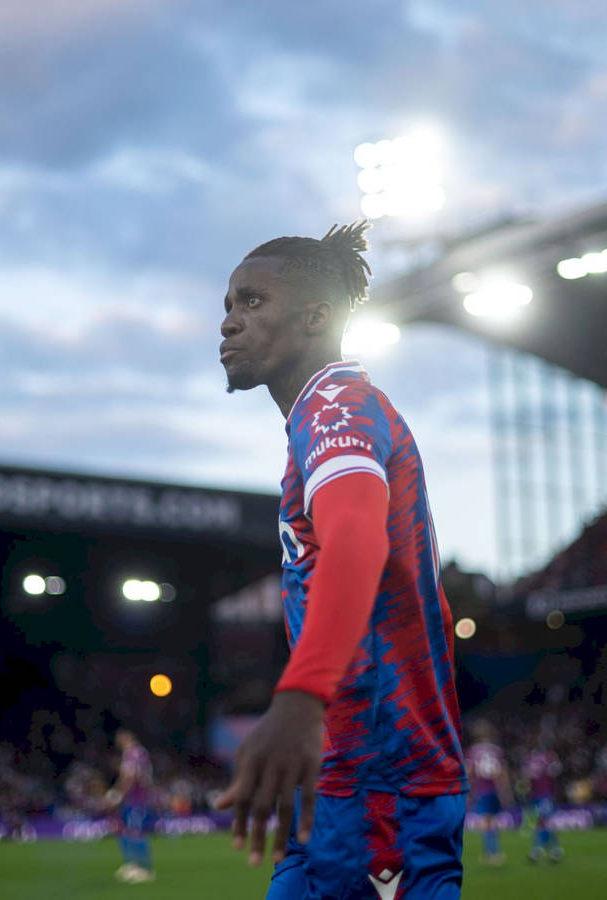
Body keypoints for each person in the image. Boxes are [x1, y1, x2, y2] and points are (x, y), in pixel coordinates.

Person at [215, 222, 468, 898]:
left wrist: (301, 699)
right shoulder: (319, 418)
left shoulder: (337, 408)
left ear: (317, 317)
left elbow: (358, 539)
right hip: (345, 770)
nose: (229, 324)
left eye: (253, 302)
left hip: (378, 773)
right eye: (228, 307)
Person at [104, 729, 155, 884]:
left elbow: (130, 777)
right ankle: (133, 864)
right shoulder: (134, 753)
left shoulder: (133, 753)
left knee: (135, 831)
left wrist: (118, 794)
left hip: (136, 799)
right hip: (133, 798)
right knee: (126, 830)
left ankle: (145, 869)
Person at [465, 720, 512, 866]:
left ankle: (492, 852)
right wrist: (505, 792)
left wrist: (468, 793)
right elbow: (502, 773)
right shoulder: (497, 750)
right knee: (493, 822)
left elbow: (470, 774)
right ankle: (491, 852)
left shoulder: (473, 751)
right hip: (495, 790)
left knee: (485, 822)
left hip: (482, 790)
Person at [523, 745, 564, 863]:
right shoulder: (547, 758)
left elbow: (554, 772)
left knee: (542, 821)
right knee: (543, 822)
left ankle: (539, 850)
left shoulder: (541, 758)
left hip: (544, 795)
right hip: (539, 795)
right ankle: (555, 850)